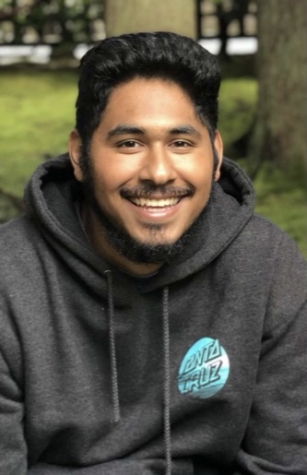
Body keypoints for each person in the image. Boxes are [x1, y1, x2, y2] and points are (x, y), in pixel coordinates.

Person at [0, 32, 306, 475]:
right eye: (129, 143)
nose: (159, 172)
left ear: (215, 155)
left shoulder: (266, 264)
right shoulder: (9, 278)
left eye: (181, 143)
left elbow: (287, 461)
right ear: (80, 156)